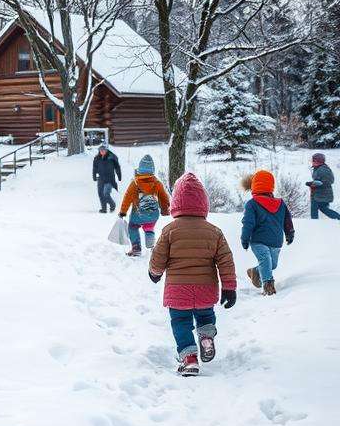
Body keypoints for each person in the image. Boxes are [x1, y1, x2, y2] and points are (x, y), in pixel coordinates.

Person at [149, 172, 237, 377]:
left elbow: (158, 256)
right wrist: (229, 287)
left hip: (178, 290)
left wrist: (154, 272)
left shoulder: (170, 230)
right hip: (206, 288)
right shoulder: (214, 231)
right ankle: (206, 337)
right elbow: (226, 260)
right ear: (203, 204)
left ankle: (189, 359)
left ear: (176, 204)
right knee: (206, 315)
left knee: (181, 323)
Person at [241, 169, 295, 296]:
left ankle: (255, 272)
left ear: (254, 185)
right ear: (271, 186)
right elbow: (248, 223)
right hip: (258, 241)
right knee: (265, 259)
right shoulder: (252, 204)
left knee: (272, 264)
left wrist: (290, 233)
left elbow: (287, 219)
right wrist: (245, 238)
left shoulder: (280, 203)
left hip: (275, 242)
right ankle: (268, 286)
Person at [118, 154, 170, 257]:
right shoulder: (157, 183)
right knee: (149, 227)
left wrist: (123, 212)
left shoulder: (135, 183)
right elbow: (164, 198)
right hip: (152, 214)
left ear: (140, 169)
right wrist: (165, 210)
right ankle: (151, 245)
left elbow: (127, 198)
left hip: (138, 214)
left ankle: (136, 248)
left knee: (132, 227)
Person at [307, 152, 339, 220]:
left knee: (315, 210)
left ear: (318, 161)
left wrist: (313, 183)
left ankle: (314, 224)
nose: (312, 162)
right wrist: (313, 183)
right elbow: (320, 180)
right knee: (323, 209)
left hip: (322, 194)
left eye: (313, 160)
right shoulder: (318, 168)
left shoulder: (323, 169)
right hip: (319, 194)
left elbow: (328, 181)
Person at [92, 143, 121, 213]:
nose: (102, 151)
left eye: (103, 150)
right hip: (101, 178)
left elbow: (117, 167)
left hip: (110, 179)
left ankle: (112, 205)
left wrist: (119, 176)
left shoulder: (112, 157)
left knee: (106, 194)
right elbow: (94, 168)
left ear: (106, 150)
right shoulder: (97, 158)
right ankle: (104, 209)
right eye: (100, 150)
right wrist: (94, 176)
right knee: (100, 193)